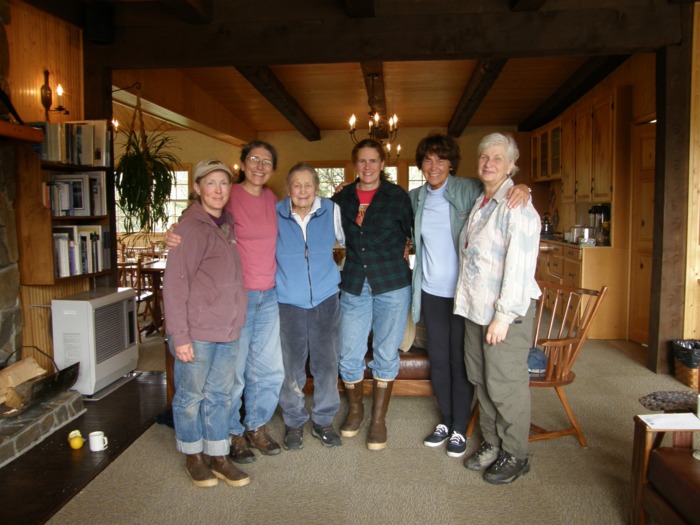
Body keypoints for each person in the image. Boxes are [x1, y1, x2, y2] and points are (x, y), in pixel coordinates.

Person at [409, 134, 531, 459]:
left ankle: (461, 428)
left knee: (461, 363)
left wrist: (524, 187)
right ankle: (446, 422)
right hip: (433, 292)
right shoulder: (415, 198)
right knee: (440, 361)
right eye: (428, 159)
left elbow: (503, 187)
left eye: (441, 159)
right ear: (421, 164)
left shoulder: (468, 189)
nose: (434, 166)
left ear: (451, 164)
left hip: (465, 297)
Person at [165, 140, 284, 464]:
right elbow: (196, 221)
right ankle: (230, 433)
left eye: (266, 162)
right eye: (254, 160)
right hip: (236, 299)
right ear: (242, 164)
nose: (260, 166)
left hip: (269, 295)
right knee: (234, 374)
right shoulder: (227, 200)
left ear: (272, 169)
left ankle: (255, 425)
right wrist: (173, 232)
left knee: (270, 369)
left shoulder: (273, 199)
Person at [455, 133, 541, 484]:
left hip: (504, 314)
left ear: (511, 166)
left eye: (497, 158)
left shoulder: (517, 206)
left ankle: (516, 453)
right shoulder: (482, 202)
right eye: (484, 157)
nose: (489, 163)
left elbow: (519, 268)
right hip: (476, 310)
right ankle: (493, 442)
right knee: (481, 381)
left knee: (505, 384)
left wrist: (503, 317)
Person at [163, 159, 250, 488]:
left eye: (224, 183)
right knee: (190, 397)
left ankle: (218, 455)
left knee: (219, 396)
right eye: (210, 183)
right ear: (197, 188)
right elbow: (174, 284)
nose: (218, 190)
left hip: (227, 329)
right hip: (196, 333)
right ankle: (193, 456)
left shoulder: (226, 223)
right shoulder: (190, 228)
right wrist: (180, 336)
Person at [331, 138, 413, 451]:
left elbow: (412, 231)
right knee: (349, 352)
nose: (367, 167)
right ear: (356, 165)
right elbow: (330, 230)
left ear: (382, 164)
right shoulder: (342, 198)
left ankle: (378, 419)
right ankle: (356, 410)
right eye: (362, 161)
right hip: (354, 282)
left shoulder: (397, 197)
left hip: (392, 282)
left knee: (385, 352)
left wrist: (406, 249)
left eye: (373, 161)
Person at [276, 163, 346, 450]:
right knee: (290, 366)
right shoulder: (275, 212)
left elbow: (348, 240)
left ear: (317, 187)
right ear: (288, 188)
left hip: (326, 298)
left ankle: (323, 420)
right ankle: (294, 421)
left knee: (327, 363)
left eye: (308, 185)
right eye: (296, 185)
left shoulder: (331, 210)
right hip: (287, 300)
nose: (302, 190)